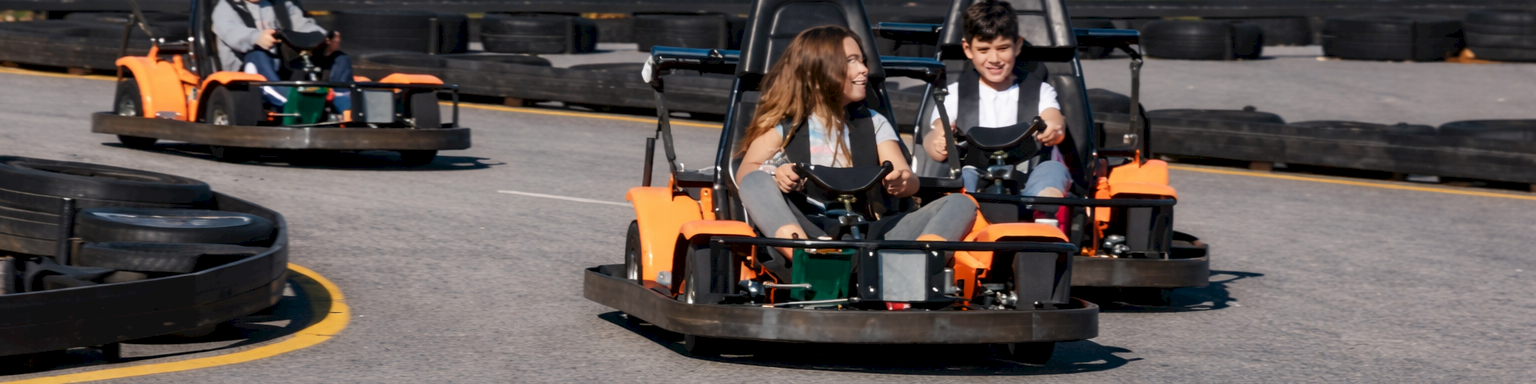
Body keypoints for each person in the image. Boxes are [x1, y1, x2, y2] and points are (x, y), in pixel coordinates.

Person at [735, 25, 977, 258]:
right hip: (811, 229)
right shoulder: (785, 127)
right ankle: (808, 259)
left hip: (869, 232)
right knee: (754, 179)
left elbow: (907, 178)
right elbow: (745, 174)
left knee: (960, 203)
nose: (863, 69)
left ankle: (918, 263)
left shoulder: (874, 122)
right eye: (851, 61)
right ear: (817, 73)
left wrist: (901, 181)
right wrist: (777, 174)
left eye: (862, 61)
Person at [924, 0, 1070, 199]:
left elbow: (1053, 117)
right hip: (975, 173)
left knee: (1053, 169)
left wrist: (1054, 128)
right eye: (984, 50)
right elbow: (938, 130)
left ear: (1017, 46)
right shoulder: (954, 94)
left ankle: (1042, 214)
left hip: (1027, 174)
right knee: (962, 177)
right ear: (967, 49)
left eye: (1003, 48)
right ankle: (965, 212)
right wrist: (938, 142)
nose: (994, 58)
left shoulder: (1040, 91)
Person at [212, 0, 351, 113]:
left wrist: (324, 38)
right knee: (257, 56)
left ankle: (345, 105)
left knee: (339, 58)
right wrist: (256, 37)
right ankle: (287, 102)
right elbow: (232, 33)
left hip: (285, 69)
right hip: (245, 74)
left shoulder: (281, 5)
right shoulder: (225, 9)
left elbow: (303, 25)